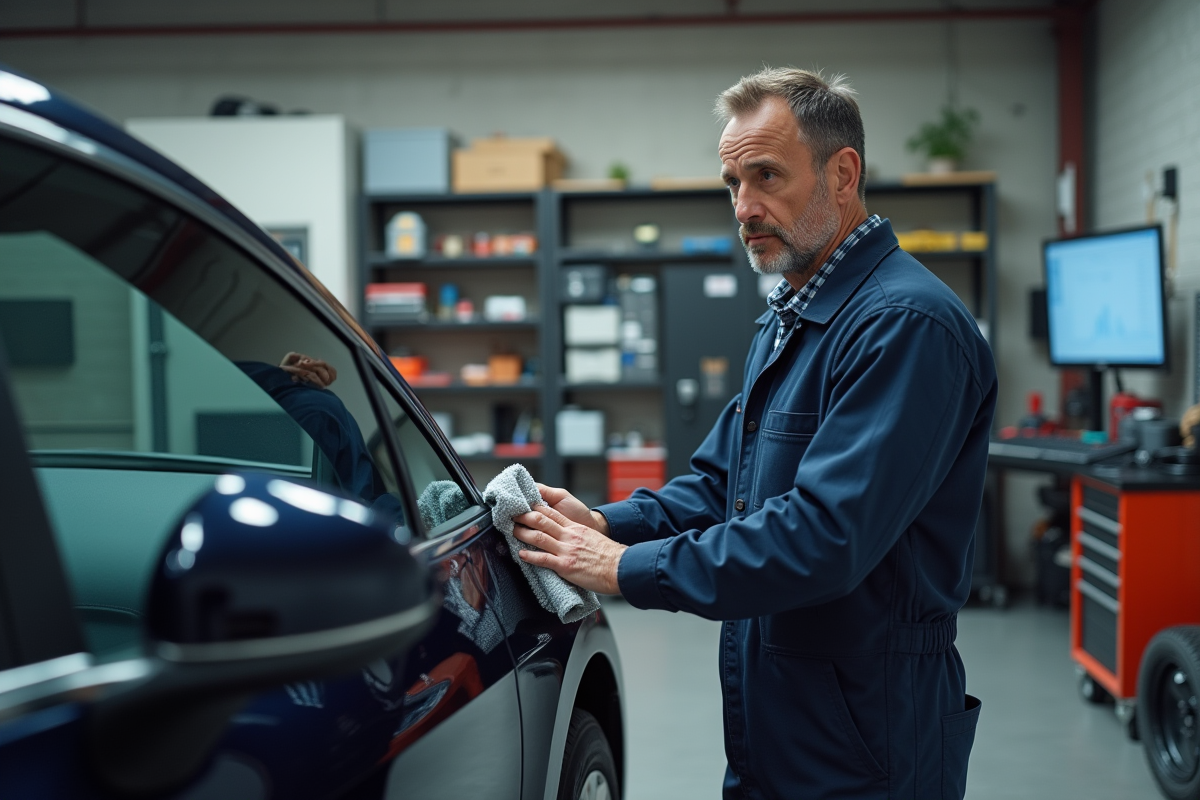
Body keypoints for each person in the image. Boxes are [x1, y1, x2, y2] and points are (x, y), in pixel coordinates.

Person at [512, 67, 996, 799]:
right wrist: (606, 524)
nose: (744, 207)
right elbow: (722, 484)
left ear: (843, 174)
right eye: (733, 183)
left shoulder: (905, 326)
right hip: (780, 709)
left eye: (766, 176)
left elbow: (826, 537)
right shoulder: (790, 318)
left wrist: (623, 567)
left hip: (871, 727)